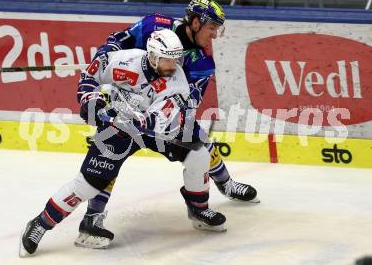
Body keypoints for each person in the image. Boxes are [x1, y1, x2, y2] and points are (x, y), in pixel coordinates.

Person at [19, 29, 226, 257]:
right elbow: (90, 77)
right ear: (154, 56)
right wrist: (92, 100)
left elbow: (159, 121)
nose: (174, 64)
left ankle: (198, 209)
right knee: (85, 186)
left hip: (156, 131)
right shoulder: (125, 60)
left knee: (199, 154)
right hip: (116, 130)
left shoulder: (177, 82)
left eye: (177, 58)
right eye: (168, 59)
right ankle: (39, 224)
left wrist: (134, 119)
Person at [74, 0, 259, 249]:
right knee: (108, 156)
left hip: (163, 112)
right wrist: (106, 54)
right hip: (126, 105)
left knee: (200, 145)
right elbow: (118, 41)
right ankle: (92, 217)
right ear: (195, 22)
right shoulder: (155, 26)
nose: (215, 35)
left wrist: (153, 116)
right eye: (211, 27)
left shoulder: (203, 61)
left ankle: (223, 186)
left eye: (218, 28)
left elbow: (188, 101)